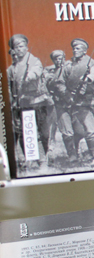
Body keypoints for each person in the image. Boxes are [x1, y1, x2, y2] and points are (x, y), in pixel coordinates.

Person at [7, 34, 51, 169]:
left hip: (39, 101)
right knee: (30, 132)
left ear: (26, 47)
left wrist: (29, 77)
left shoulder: (34, 60)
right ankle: (39, 161)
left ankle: (44, 155)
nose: (19, 49)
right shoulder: (13, 68)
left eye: (21, 46)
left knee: (44, 133)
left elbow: (36, 71)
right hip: (24, 102)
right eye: (16, 47)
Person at [63, 38, 94, 167]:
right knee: (80, 130)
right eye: (74, 48)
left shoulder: (91, 62)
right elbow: (62, 80)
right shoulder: (69, 65)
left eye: (78, 48)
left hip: (91, 101)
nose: (75, 50)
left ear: (85, 51)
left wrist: (88, 78)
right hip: (75, 102)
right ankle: (83, 155)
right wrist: (67, 95)